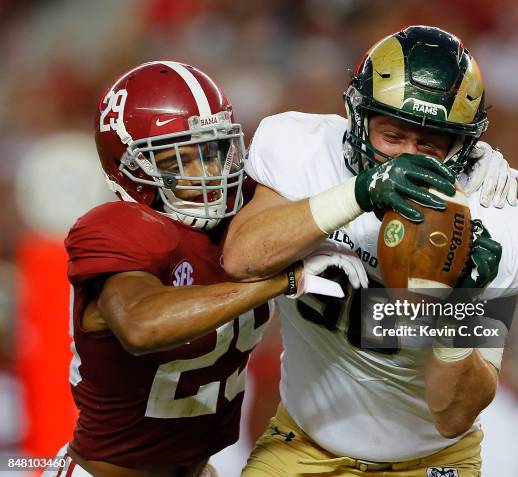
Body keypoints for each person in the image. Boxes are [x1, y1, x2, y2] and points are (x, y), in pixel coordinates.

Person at [223, 26, 518, 476]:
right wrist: (356, 193)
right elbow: (241, 257)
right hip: (303, 448)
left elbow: (452, 416)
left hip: (431, 461)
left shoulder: (498, 225)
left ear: (463, 147)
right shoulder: (304, 150)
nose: (408, 158)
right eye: (392, 137)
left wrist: (459, 308)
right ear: (358, 118)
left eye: (430, 144)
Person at [46, 61, 361, 477]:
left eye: (212, 151)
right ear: (133, 169)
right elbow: (141, 326)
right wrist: (278, 281)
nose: (208, 174)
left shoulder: (249, 218)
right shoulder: (119, 227)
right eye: (181, 160)